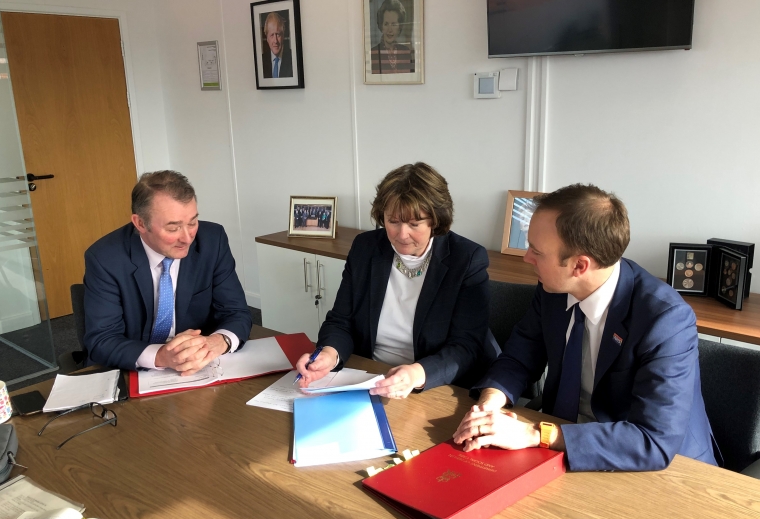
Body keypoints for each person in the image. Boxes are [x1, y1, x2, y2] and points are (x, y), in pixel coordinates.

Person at [453, 184, 719, 472]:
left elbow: (652, 440)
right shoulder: (553, 287)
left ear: (579, 266)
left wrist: (536, 434)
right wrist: (490, 405)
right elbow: (519, 356)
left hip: (664, 470)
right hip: (564, 444)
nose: (526, 258)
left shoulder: (665, 319)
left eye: (536, 251)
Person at [295, 162, 494, 398]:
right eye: (393, 221)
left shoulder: (466, 259)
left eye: (414, 224)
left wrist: (415, 374)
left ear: (435, 221)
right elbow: (341, 320)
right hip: (369, 377)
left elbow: (466, 346)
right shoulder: (365, 248)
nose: (402, 234)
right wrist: (329, 354)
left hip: (432, 384)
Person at [83, 170, 252, 374]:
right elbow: (102, 340)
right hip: (132, 370)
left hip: (199, 369)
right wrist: (162, 356)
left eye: (192, 223)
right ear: (140, 223)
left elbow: (236, 312)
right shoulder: (105, 258)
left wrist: (218, 342)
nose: (188, 238)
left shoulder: (212, 241)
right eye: (173, 228)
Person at [370, 0, 415, 75]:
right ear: (381, 26)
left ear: (399, 27)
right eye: (386, 24)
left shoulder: (406, 52)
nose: (390, 30)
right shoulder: (373, 54)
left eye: (394, 24)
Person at [262, 12, 293, 79]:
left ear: (283, 36)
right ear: (267, 38)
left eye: (278, 34)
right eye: (272, 35)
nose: (275, 41)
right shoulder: (262, 61)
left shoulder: (293, 58)